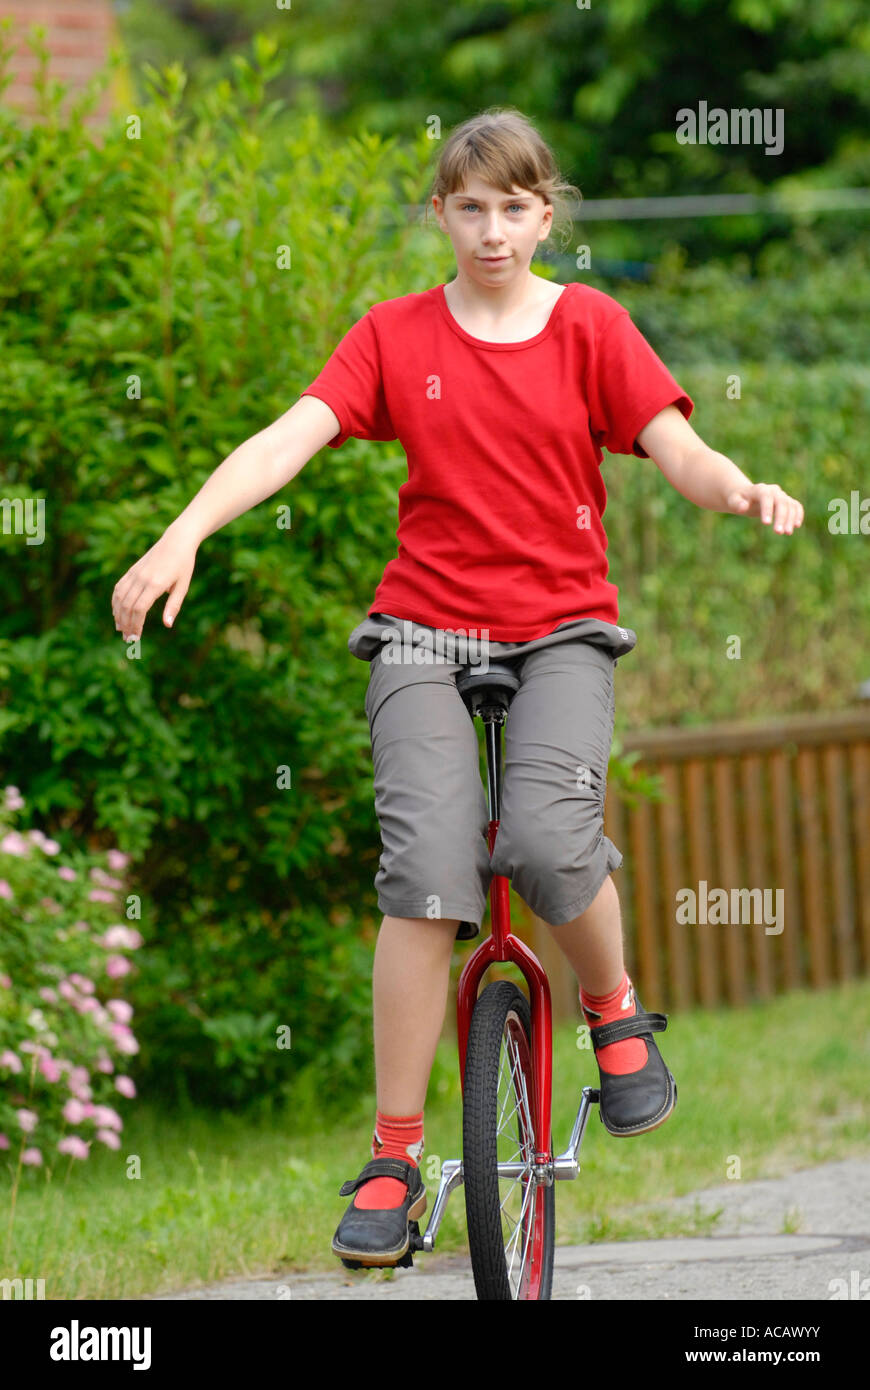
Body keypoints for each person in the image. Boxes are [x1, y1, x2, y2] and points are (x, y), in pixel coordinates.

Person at [111, 106, 804, 1273]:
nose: (493, 230)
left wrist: (735, 489)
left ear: (548, 213)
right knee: (428, 872)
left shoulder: (590, 326)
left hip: (562, 632)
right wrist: (183, 534)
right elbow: (292, 434)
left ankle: (614, 1006)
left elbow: (672, 441)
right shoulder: (392, 335)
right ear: (441, 212)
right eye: (469, 206)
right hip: (423, 634)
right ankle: (391, 1153)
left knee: (542, 834)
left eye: (516, 207)